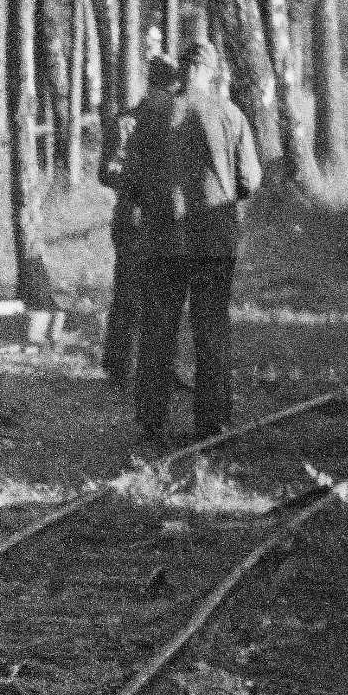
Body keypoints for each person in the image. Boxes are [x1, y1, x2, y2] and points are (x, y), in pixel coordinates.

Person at [123, 41, 262, 442]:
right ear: (211, 71)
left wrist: (153, 203)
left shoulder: (151, 113)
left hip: (162, 240)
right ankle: (212, 424)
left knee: (158, 329)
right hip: (213, 242)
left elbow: (130, 178)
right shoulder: (230, 114)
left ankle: (151, 423)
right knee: (212, 329)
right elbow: (249, 179)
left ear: (183, 68)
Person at [97, 56, 182, 388]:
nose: (170, 98)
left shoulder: (175, 124)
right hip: (133, 220)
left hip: (166, 221)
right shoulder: (127, 123)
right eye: (167, 91)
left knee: (165, 297)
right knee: (129, 294)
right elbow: (107, 171)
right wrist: (142, 183)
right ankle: (119, 367)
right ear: (154, 88)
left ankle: (160, 367)